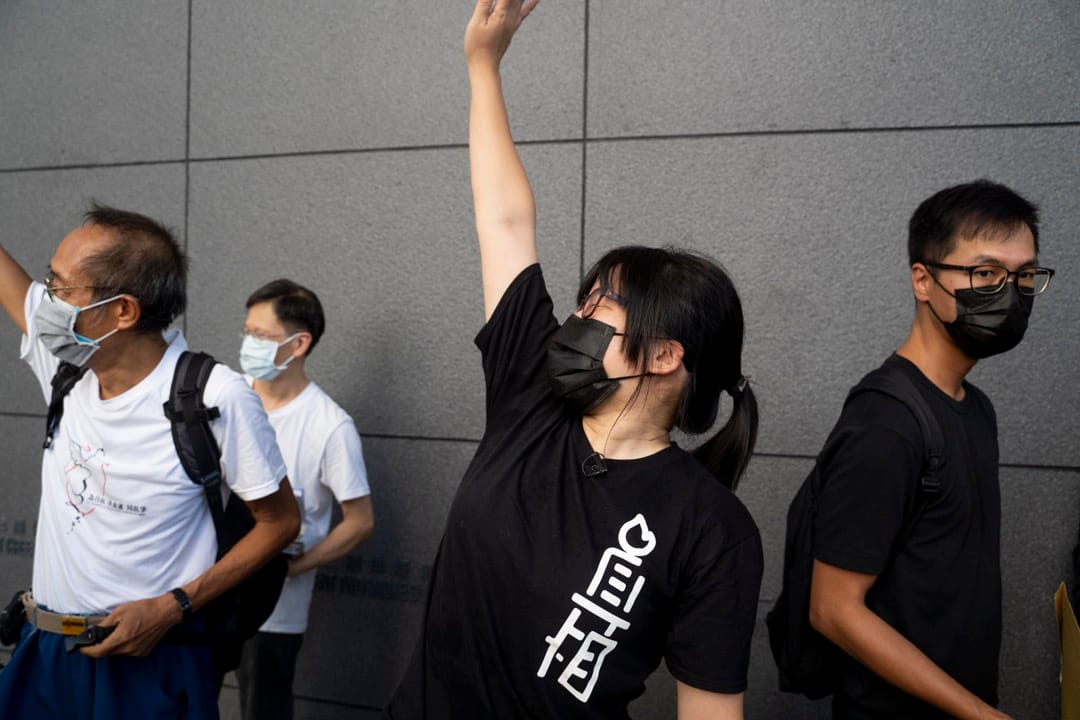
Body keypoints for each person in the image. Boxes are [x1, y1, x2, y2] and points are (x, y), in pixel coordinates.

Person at [386, 2, 763, 718]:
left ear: (664, 355)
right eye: (583, 299)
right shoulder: (529, 393)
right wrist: (483, 66)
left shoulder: (711, 527)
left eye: (602, 306)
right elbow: (503, 220)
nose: (576, 317)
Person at [0, 205, 300, 719]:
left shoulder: (213, 396)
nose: (45, 300)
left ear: (123, 311)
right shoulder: (70, 367)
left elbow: (280, 521)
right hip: (44, 656)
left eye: (61, 287)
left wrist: (173, 606)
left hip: (150, 661)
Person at [807, 180, 1055, 719]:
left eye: (1025, 276)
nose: (1010, 293)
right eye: (985, 273)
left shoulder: (976, 408)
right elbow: (832, 610)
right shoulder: (886, 425)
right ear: (923, 280)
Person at [234, 279, 374, 720]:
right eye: (247, 332)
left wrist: (293, 567)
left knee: (262, 706)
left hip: (274, 610)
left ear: (299, 344)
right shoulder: (229, 397)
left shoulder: (329, 426)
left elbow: (360, 521)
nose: (248, 344)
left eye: (261, 335)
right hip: (206, 588)